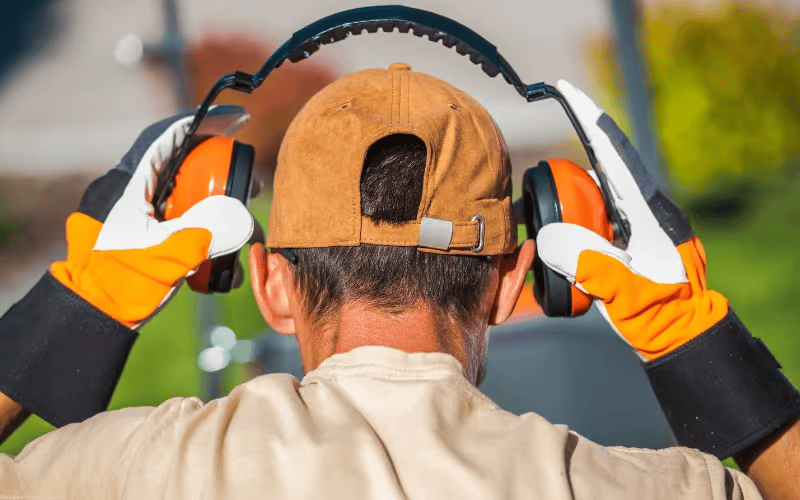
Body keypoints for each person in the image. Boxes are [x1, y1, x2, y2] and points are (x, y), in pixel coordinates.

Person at [0, 63, 797, 499]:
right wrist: (689, 330)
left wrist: (80, 304)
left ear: (270, 282)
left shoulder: (143, 472)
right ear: (513, 284)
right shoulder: (613, 486)